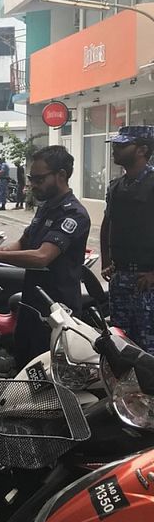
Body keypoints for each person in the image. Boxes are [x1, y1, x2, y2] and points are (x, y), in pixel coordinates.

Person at [0, 146, 90, 366]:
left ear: (61, 175)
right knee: (24, 366)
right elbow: (21, 244)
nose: (33, 185)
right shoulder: (46, 207)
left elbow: (41, 257)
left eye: (39, 179)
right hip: (32, 304)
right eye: (31, 178)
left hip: (57, 311)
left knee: (46, 373)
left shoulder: (73, 214)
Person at [101, 126, 154, 352]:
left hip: (147, 280)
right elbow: (107, 224)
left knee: (147, 348)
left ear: (142, 150)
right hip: (120, 276)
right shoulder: (116, 186)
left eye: (122, 145)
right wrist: (106, 260)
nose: (115, 149)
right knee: (120, 345)